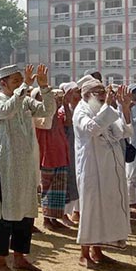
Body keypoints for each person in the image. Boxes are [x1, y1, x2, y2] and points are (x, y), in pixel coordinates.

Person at [0, 64, 55, 271]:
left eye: (21, 79)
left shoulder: (26, 101)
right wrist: (25, 85)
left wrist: (44, 89)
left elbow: (48, 111)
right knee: (4, 214)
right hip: (5, 166)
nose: (20, 83)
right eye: (15, 80)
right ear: (3, 83)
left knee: (25, 213)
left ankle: (19, 257)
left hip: (25, 166)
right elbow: (8, 110)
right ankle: (0, 262)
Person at [74, 81, 132, 267]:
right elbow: (92, 129)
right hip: (91, 168)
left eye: (103, 91)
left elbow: (123, 132)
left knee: (104, 208)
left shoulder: (103, 109)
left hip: (108, 167)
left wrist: (124, 108)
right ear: (86, 94)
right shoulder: (80, 111)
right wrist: (107, 105)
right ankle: (84, 253)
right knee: (90, 208)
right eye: (97, 92)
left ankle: (97, 250)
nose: (101, 94)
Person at [33, 87, 71, 232]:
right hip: (47, 156)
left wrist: (65, 104)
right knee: (47, 190)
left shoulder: (59, 113)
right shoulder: (38, 115)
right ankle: (47, 220)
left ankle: (54, 218)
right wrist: (52, 106)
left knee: (58, 190)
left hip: (60, 155)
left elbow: (68, 122)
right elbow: (47, 124)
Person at [59, 81, 82, 224]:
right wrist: (66, 105)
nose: (78, 95)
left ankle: (76, 212)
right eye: (75, 92)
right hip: (66, 151)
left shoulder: (80, 109)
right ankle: (63, 214)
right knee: (67, 183)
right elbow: (67, 124)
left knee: (76, 182)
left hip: (77, 151)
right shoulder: (62, 111)